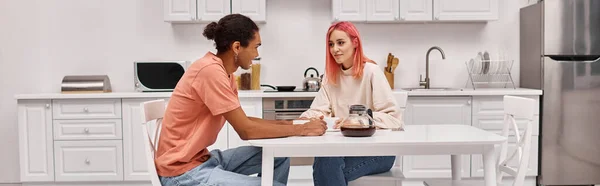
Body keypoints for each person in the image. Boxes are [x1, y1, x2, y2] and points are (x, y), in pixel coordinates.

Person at [154, 14, 327, 186]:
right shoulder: (210, 71)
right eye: (255, 47)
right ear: (237, 47)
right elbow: (246, 131)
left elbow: (245, 121)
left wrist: (295, 124)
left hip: (203, 160)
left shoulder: (224, 73)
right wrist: (302, 130)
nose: (256, 54)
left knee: (279, 155)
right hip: (183, 172)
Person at [299, 21, 405, 186]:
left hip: (379, 152)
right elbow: (317, 110)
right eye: (331, 44)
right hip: (342, 150)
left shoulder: (371, 72)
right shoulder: (330, 77)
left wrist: (355, 121)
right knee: (326, 160)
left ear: (355, 43)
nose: (335, 49)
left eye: (341, 43)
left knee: (326, 164)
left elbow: (394, 119)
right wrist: (305, 120)